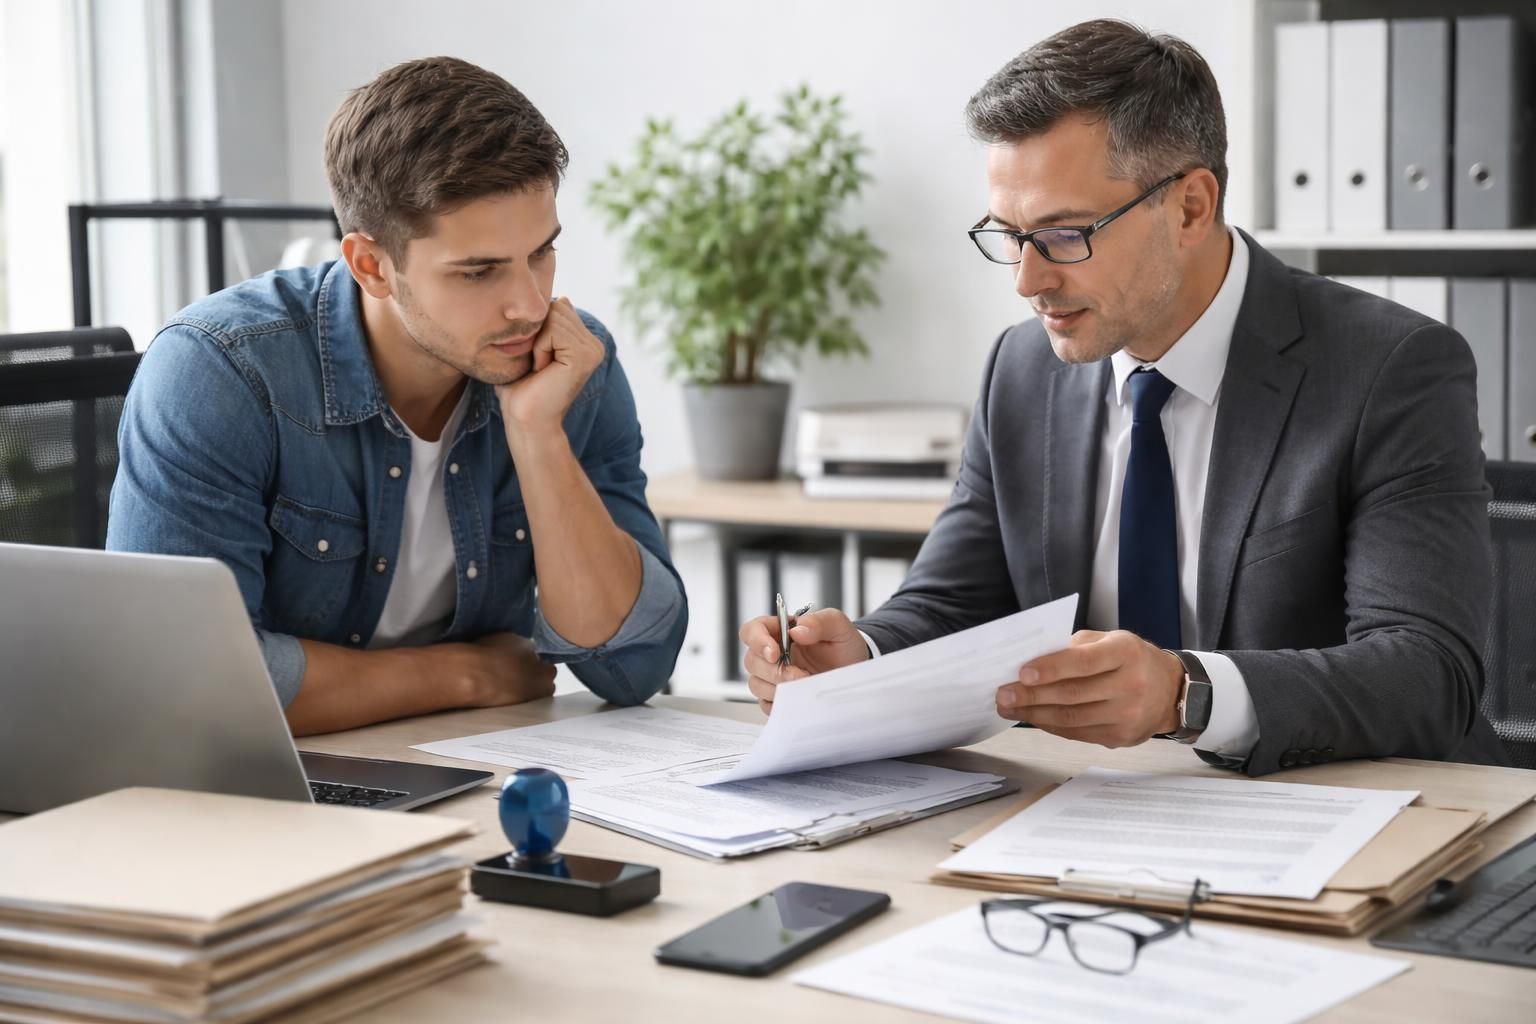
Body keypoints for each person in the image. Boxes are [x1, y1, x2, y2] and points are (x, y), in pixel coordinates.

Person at [739, 19, 1505, 775]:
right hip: (1101, 815)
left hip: (1360, 815)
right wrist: (861, 657)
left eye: (1066, 234)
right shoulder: (1021, 369)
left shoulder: (1392, 369)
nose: (1027, 281)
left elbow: (1428, 672)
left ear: (1191, 208)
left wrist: (1187, 695)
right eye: (1008, 235)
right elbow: (952, 604)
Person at [109, 57, 686, 735]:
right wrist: (460, 674)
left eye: (542, 253)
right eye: (479, 271)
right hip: (268, 798)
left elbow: (632, 666)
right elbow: (184, 686)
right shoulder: (223, 373)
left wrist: (537, 435)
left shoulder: (570, 363)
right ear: (371, 265)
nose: (530, 304)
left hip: (468, 768)